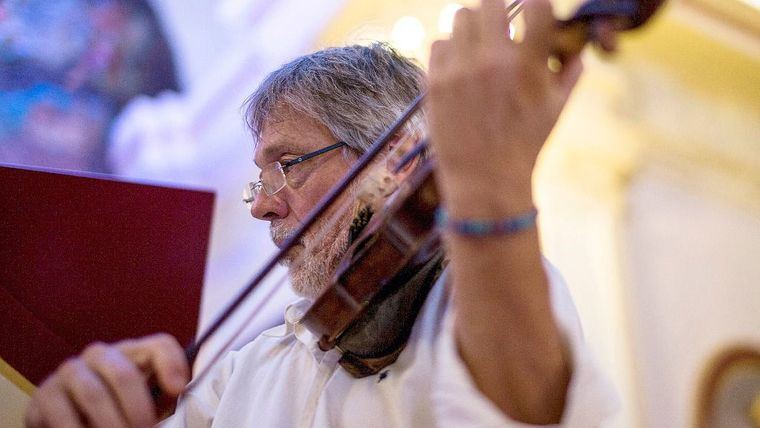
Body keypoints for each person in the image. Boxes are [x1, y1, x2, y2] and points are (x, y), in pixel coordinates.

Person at [25, 0, 619, 426]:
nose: (260, 205)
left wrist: (490, 188)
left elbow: (529, 411)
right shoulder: (249, 368)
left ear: (395, 158)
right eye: (257, 179)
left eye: (287, 163)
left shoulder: (487, 295)